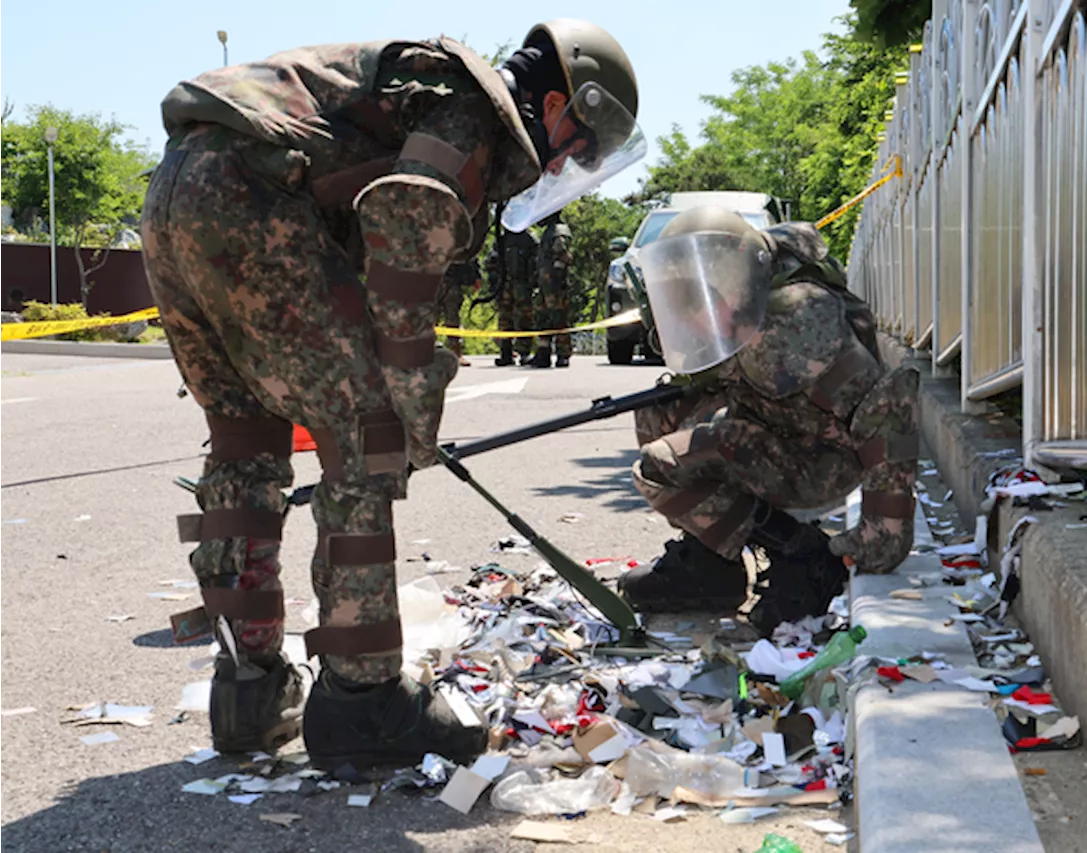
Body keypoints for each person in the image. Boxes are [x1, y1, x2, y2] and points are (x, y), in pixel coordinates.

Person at [139, 20, 642, 768]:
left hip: (177, 196)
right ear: (563, 104)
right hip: (252, 199)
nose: (568, 163)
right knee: (368, 439)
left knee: (243, 447)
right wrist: (407, 401)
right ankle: (363, 702)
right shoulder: (474, 108)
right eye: (581, 144)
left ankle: (248, 693)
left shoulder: (421, 89)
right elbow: (404, 215)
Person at [617, 206, 920, 636]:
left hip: (824, 459)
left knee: (665, 462)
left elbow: (886, 409)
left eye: (694, 302)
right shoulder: (741, 318)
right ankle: (712, 566)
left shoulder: (793, 325)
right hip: (781, 429)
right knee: (657, 414)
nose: (686, 318)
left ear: (731, 288)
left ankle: (797, 556)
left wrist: (879, 536)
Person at [486, 225, 539, 366]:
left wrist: (533, 282)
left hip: (523, 284)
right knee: (505, 318)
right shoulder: (502, 240)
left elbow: (536, 262)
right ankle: (506, 352)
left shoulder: (529, 239)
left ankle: (524, 353)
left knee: (525, 318)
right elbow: (492, 261)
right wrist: (494, 281)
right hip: (505, 284)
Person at [532, 212, 574, 367]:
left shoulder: (558, 231)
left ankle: (563, 354)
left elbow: (562, 256)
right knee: (542, 318)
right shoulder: (550, 231)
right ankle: (543, 353)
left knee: (559, 317)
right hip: (545, 284)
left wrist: (556, 280)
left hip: (554, 284)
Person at [440, 260, 480, 366]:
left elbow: (469, 251)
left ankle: (456, 354)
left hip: (452, 280)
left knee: (453, 319)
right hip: (431, 278)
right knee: (427, 318)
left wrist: (476, 275)